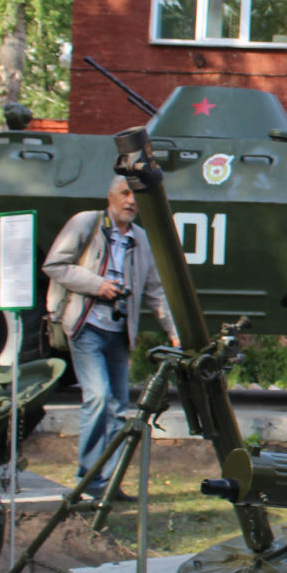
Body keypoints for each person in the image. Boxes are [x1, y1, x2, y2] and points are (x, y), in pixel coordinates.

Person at [43, 177, 179, 500]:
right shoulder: (86, 223)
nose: (131, 201)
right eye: (125, 194)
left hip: (119, 333)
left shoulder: (142, 240)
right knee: (98, 397)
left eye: (135, 196)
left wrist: (174, 332)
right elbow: (54, 264)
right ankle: (88, 479)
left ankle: (111, 482)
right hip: (86, 325)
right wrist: (96, 284)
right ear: (111, 197)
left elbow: (155, 291)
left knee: (119, 409)